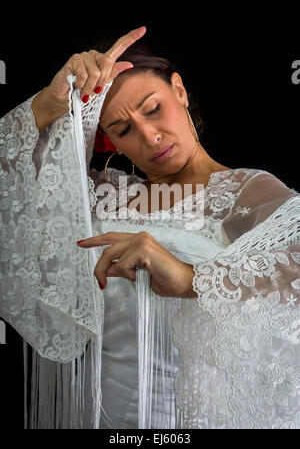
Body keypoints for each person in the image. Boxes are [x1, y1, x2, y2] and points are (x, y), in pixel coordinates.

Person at [1, 26, 300, 429]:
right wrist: (50, 103)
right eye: (123, 130)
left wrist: (190, 278)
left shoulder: (245, 190)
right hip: (91, 416)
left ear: (179, 91)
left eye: (153, 108)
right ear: (111, 144)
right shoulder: (94, 192)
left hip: (186, 418)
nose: (149, 135)